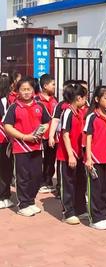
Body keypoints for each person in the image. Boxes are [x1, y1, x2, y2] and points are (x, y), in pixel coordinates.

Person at [3, 76, 50, 216]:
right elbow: (7, 126)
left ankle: (30, 200)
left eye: (28, 89)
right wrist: (24, 137)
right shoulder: (14, 107)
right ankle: (23, 204)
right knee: (23, 176)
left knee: (36, 175)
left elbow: (47, 122)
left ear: (33, 91)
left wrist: (42, 131)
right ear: (18, 91)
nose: (26, 92)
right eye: (23, 89)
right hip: (21, 147)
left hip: (36, 146)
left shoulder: (39, 106)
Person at [84, 85, 106, 230]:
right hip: (96, 158)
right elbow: (88, 137)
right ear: (97, 99)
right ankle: (95, 217)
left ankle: (104, 215)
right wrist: (88, 158)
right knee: (96, 189)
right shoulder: (92, 116)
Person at [58, 84, 88, 224]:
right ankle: (68, 212)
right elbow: (65, 134)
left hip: (79, 154)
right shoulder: (68, 112)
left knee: (80, 182)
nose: (86, 100)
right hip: (68, 155)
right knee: (68, 183)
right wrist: (70, 154)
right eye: (84, 97)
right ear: (78, 98)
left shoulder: (79, 112)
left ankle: (80, 209)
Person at [49, 80, 76, 199]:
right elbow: (55, 120)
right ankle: (60, 188)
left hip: (75, 141)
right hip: (62, 138)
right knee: (62, 164)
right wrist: (51, 135)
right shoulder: (61, 106)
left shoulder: (81, 107)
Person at [36, 74, 58, 193]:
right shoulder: (37, 100)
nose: (55, 87)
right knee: (42, 159)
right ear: (45, 86)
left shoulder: (54, 100)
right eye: (53, 84)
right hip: (42, 136)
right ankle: (41, 181)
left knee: (51, 158)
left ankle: (48, 180)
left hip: (53, 136)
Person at [0, 74, 13, 209]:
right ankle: (3, 195)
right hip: (3, 138)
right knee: (5, 167)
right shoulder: (5, 100)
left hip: (4, 138)